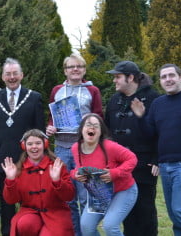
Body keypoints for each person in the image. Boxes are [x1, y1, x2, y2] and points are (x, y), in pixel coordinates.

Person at [131, 63, 181, 236]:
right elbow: (149, 134)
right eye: (164, 77)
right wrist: (140, 117)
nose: (168, 79)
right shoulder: (158, 103)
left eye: (171, 75)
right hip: (165, 166)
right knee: (175, 215)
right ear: (160, 81)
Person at [0, 58, 45, 236]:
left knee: (31, 200)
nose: (12, 77)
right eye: (8, 74)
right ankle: (8, 233)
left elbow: (39, 132)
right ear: (2, 77)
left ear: (21, 75)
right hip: (1, 160)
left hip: (27, 159)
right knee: (6, 203)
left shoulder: (34, 97)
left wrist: (39, 159)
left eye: (15, 73)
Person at [46, 53, 103, 236]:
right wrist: (49, 127)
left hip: (84, 150)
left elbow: (99, 117)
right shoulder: (57, 90)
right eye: (71, 67)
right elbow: (51, 117)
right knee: (68, 199)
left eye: (79, 66)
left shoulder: (92, 90)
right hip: (62, 148)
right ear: (65, 71)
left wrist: (90, 124)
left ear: (84, 69)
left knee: (86, 196)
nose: (75, 69)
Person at [104, 60, 160, 236]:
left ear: (130, 78)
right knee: (126, 211)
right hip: (120, 167)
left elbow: (161, 131)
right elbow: (107, 132)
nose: (114, 81)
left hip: (145, 166)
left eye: (118, 77)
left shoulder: (153, 98)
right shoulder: (114, 100)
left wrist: (156, 158)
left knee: (145, 211)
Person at [71, 113, 138, 236]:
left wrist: (115, 173)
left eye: (96, 126)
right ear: (81, 129)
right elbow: (77, 168)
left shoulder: (110, 147)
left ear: (101, 131)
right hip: (99, 194)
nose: (92, 128)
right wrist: (76, 174)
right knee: (86, 226)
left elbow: (132, 158)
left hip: (123, 191)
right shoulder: (76, 148)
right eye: (88, 125)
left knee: (110, 226)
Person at [1, 129, 76, 236]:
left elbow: (69, 196)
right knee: (24, 224)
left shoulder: (57, 166)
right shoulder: (18, 169)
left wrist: (57, 181)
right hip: (30, 212)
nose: (34, 147)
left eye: (38, 143)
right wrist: (10, 180)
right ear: (24, 146)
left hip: (56, 213)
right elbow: (11, 200)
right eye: (30, 144)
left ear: (45, 144)